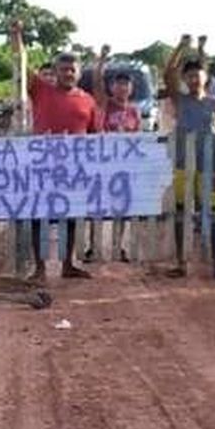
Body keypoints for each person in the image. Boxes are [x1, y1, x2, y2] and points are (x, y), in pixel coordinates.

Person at [16, 21, 101, 280]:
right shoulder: (41, 90)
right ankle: (39, 268)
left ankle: (68, 264)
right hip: (42, 165)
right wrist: (17, 35)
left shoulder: (88, 100)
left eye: (72, 69)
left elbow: (95, 136)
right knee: (37, 215)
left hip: (75, 168)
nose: (68, 73)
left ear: (78, 72)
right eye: (63, 69)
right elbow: (20, 61)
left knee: (73, 215)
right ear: (55, 71)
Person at [162, 34, 215, 280]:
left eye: (197, 74)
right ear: (184, 79)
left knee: (211, 215)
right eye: (188, 75)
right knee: (181, 213)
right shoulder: (180, 100)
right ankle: (181, 263)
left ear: (205, 77)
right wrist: (180, 46)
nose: (192, 79)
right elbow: (168, 71)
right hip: (182, 165)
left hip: (209, 166)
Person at [84, 45, 138, 264]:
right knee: (97, 204)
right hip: (103, 162)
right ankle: (92, 246)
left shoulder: (134, 111)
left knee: (122, 207)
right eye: (118, 84)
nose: (122, 88)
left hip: (124, 164)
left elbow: (139, 137)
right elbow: (97, 82)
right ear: (112, 87)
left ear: (131, 88)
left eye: (126, 84)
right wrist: (101, 61)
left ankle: (120, 245)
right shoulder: (106, 104)